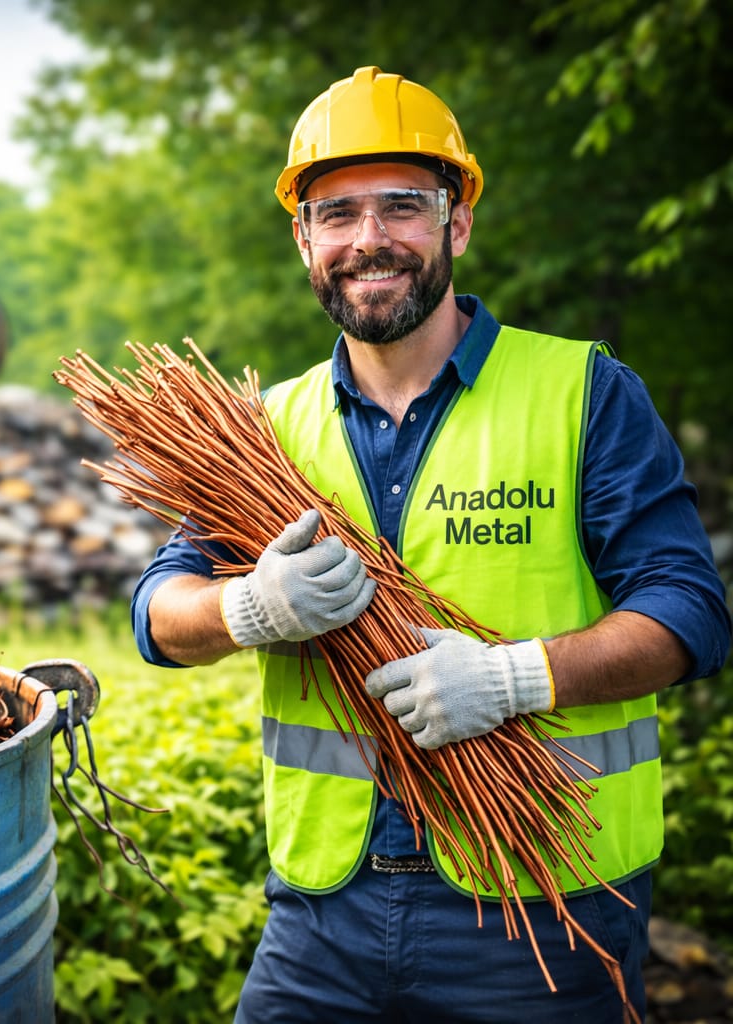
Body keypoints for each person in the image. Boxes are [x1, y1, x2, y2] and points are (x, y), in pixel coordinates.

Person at [131, 66, 731, 1022]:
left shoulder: (583, 393)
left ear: (456, 223)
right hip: (322, 913)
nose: (370, 239)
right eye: (337, 213)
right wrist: (245, 608)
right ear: (304, 241)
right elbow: (158, 616)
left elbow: (690, 615)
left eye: (402, 207)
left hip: (543, 907)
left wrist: (512, 679)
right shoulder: (261, 429)